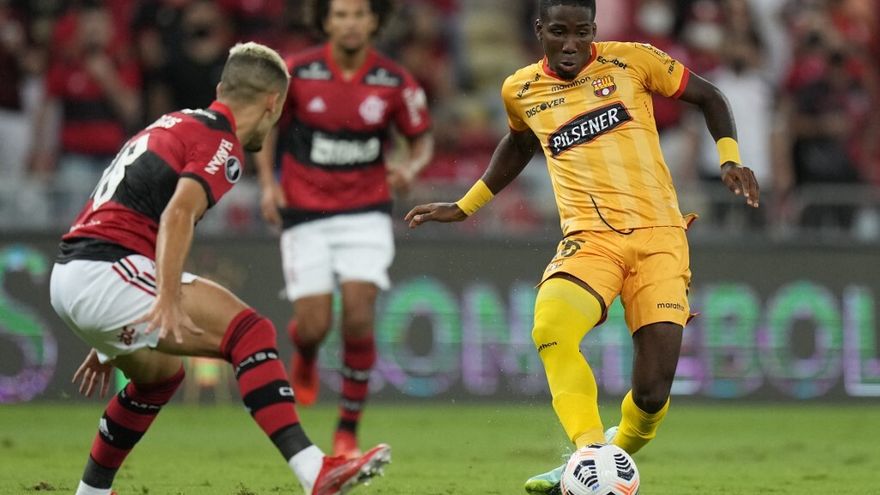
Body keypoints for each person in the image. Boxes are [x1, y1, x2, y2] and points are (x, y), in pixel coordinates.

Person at [404, 1, 760, 493]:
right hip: (590, 240)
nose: (571, 44)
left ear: (594, 29)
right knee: (551, 325)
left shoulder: (633, 59)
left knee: (652, 394)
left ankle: (598, 458)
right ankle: (590, 453)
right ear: (539, 30)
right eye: (559, 32)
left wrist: (729, 160)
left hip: (659, 238)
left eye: (582, 32)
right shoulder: (520, 89)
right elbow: (519, 144)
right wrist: (466, 205)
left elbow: (711, 96)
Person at [50, 42, 390, 495]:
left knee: (158, 378)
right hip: (105, 270)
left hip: (81, 272)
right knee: (250, 333)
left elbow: (129, 208)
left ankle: (91, 493)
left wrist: (107, 334)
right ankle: (315, 472)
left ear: (220, 90)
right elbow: (177, 213)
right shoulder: (222, 144)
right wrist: (164, 297)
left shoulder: (177, 123)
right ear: (273, 104)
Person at [254, 0, 433, 459]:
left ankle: (347, 430)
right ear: (325, 21)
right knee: (314, 325)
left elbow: (421, 139)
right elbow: (265, 127)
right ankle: (306, 352)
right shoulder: (296, 72)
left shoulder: (394, 81)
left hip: (365, 211)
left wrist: (410, 167)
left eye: (358, 14)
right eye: (340, 14)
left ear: (374, 21)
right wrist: (268, 185)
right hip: (305, 210)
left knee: (358, 314)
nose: (350, 23)